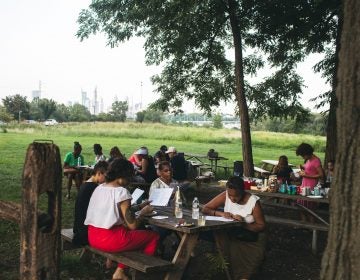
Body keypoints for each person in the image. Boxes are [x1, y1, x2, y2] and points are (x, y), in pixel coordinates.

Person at [84, 158, 159, 280]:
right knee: (152, 236)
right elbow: (133, 225)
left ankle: (120, 270)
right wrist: (143, 213)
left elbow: (114, 208)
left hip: (93, 236)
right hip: (111, 240)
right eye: (129, 177)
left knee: (134, 237)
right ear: (123, 175)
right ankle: (140, 273)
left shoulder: (100, 187)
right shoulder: (122, 192)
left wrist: (139, 207)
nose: (130, 181)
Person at [202, 176, 266, 279]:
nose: (232, 198)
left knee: (247, 259)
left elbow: (261, 226)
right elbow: (205, 208)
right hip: (229, 233)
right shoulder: (226, 195)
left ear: (242, 191)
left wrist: (243, 224)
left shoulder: (253, 201)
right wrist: (221, 214)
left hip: (249, 236)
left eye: (236, 196)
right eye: (230, 195)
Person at [73, 161, 109, 246]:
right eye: (106, 176)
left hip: (78, 228)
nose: (107, 179)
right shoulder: (95, 188)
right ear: (99, 173)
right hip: (85, 232)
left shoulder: (85, 185)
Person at [296, 143, 324, 220]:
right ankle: (304, 223)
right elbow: (310, 169)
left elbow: (321, 175)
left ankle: (312, 226)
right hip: (304, 184)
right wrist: (302, 167)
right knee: (301, 205)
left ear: (307, 152)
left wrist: (306, 176)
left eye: (303, 155)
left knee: (309, 208)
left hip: (311, 186)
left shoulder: (316, 161)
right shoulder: (308, 159)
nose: (302, 157)